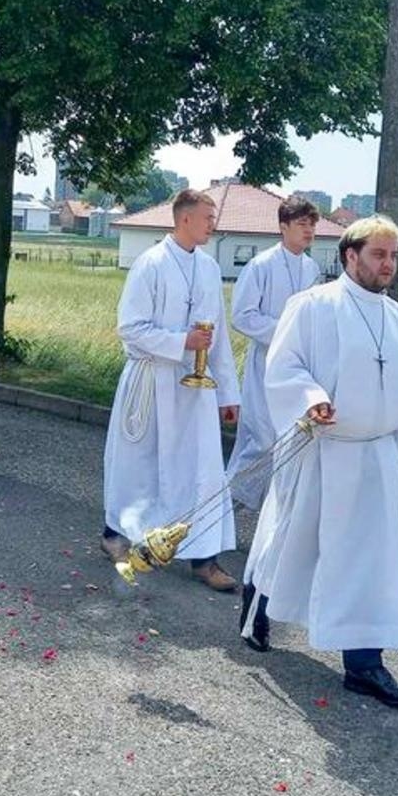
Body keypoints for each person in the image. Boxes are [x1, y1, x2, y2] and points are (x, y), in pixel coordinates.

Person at [240, 216, 398, 708]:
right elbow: (284, 367)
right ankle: (257, 600)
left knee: (370, 561)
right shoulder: (312, 307)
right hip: (325, 448)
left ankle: (364, 664)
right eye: (378, 255)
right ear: (351, 256)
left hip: (375, 455)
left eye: (393, 256)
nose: (388, 265)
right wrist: (311, 399)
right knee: (293, 542)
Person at [101, 188, 241, 591]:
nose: (213, 225)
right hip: (151, 379)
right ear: (184, 219)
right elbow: (130, 327)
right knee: (139, 463)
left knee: (203, 469)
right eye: (207, 218)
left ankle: (204, 558)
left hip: (196, 389)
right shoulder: (151, 264)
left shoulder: (210, 269)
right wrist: (181, 342)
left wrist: (229, 393)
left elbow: (220, 337)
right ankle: (115, 534)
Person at [226, 194, 322, 503]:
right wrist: (285, 332)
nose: (308, 231)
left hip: (298, 367)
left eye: (312, 225)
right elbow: (242, 316)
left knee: (289, 441)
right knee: (262, 439)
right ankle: (221, 510)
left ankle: (272, 520)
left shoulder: (311, 268)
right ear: (283, 227)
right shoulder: (261, 265)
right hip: (265, 363)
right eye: (301, 224)